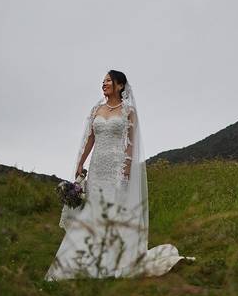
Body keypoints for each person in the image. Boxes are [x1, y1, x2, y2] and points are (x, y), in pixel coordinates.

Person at [44, 70, 194, 280]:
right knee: (93, 212)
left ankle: (113, 260)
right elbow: (90, 139)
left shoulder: (128, 111)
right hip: (97, 167)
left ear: (120, 85)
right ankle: (85, 260)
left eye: (108, 81)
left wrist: (126, 168)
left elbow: (130, 143)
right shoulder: (97, 109)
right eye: (103, 81)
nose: (104, 84)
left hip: (116, 167)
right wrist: (80, 162)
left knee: (113, 212)